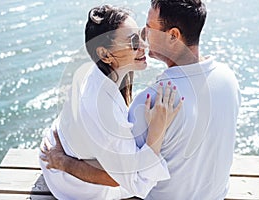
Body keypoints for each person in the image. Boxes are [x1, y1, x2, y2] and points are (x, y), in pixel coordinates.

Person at [41, 0, 241, 199]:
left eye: (148, 29)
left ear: (173, 35)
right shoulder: (228, 77)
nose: (144, 40)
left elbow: (128, 176)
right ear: (106, 55)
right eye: (135, 39)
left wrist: (63, 161)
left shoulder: (151, 99)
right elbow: (127, 177)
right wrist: (61, 162)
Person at [39, 4, 183, 200]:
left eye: (141, 35)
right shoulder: (103, 110)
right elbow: (128, 181)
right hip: (73, 186)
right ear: (105, 55)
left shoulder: (98, 72)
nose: (144, 45)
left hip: (61, 151)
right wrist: (157, 128)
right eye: (133, 42)